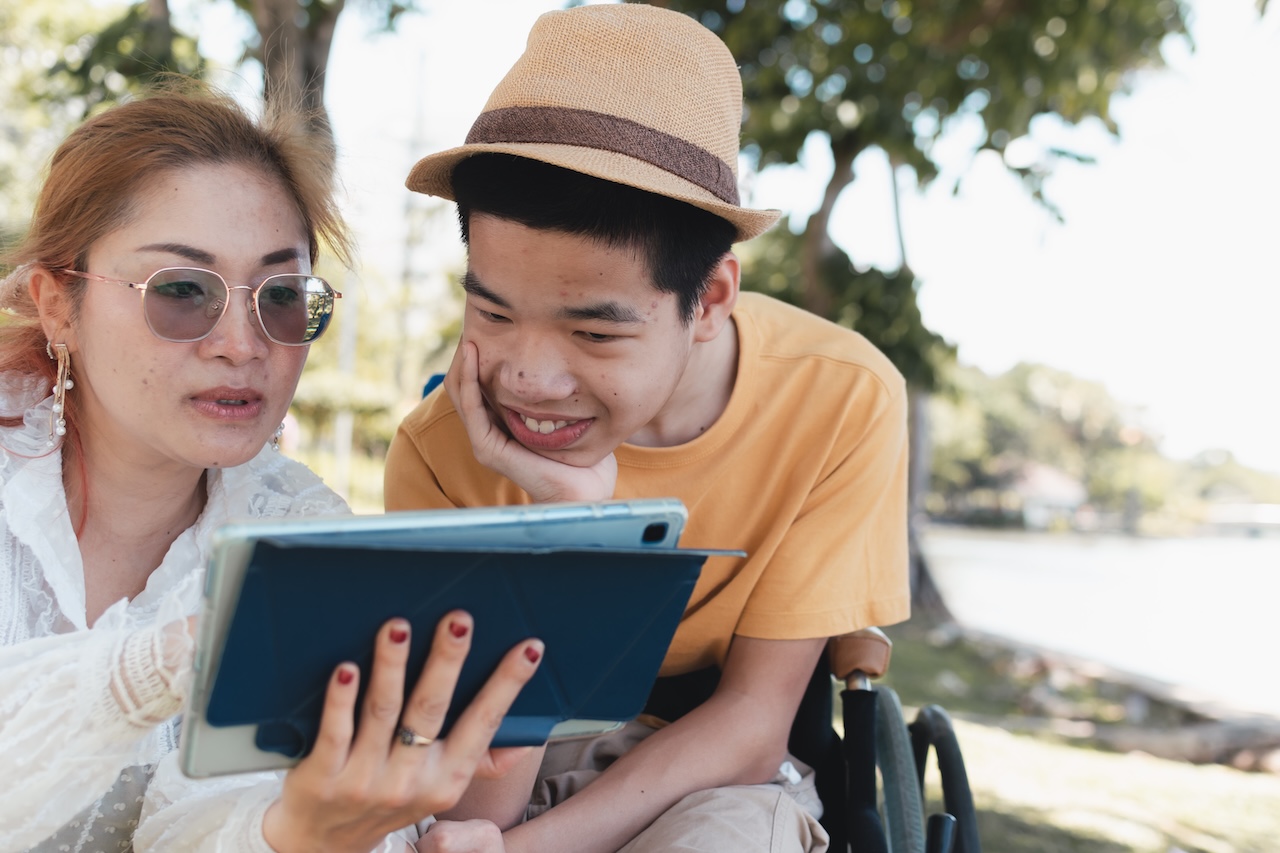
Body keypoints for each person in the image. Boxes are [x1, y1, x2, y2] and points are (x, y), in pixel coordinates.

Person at [383, 5, 911, 852]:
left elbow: (753, 724)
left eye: (593, 332)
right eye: (492, 309)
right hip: (523, 753)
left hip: (719, 776)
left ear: (708, 299)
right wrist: (566, 526)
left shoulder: (839, 400)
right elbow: (478, 807)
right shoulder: (441, 448)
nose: (529, 378)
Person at [0, 83, 542, 853]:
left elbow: (202, 821)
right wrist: (159, 665)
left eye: (281, 296)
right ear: (59, 306)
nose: (243, 344)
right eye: (182, 290)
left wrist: (302, 831)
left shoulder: (303, 532)